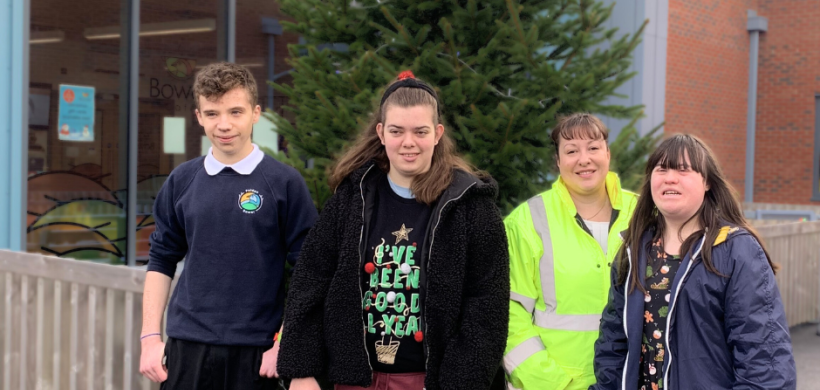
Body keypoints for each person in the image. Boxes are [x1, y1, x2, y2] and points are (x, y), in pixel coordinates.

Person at [276, 71, 510, 390]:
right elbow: (311, 279)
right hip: (353, 379)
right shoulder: (352, 197)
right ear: (381, 132)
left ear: (438, 133)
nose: (408, 142)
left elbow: (487, 306)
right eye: (397, 131)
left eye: (420, 131)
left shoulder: (470, 205)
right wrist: (302, 371)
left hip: (432, 382)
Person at [139, 62, 317, 389]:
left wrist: (286, 344)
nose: (224, 125)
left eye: (235, 112)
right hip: (187, 347)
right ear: (198, 117)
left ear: (256, 113)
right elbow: (161, 259)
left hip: (259, 353)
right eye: (212, 114)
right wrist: (150, 338)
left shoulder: (284, 183)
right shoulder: (182, 180)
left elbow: (311, 271)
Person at [591, 134, 796, 390]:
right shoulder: (633, 250)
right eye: (662, 169)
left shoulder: (735, 250)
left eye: (683, 170)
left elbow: (764, 358)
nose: (670, 177)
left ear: (707, 182)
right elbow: (613, 343)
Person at [503, 113, 638, 390]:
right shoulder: (528, 220)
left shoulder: (643, 214)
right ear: (558, 161)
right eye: (572, 151)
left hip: (631, 381)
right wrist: (556, 385)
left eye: (593, 148)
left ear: (608, 154)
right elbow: (509, 317)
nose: (584, 159)